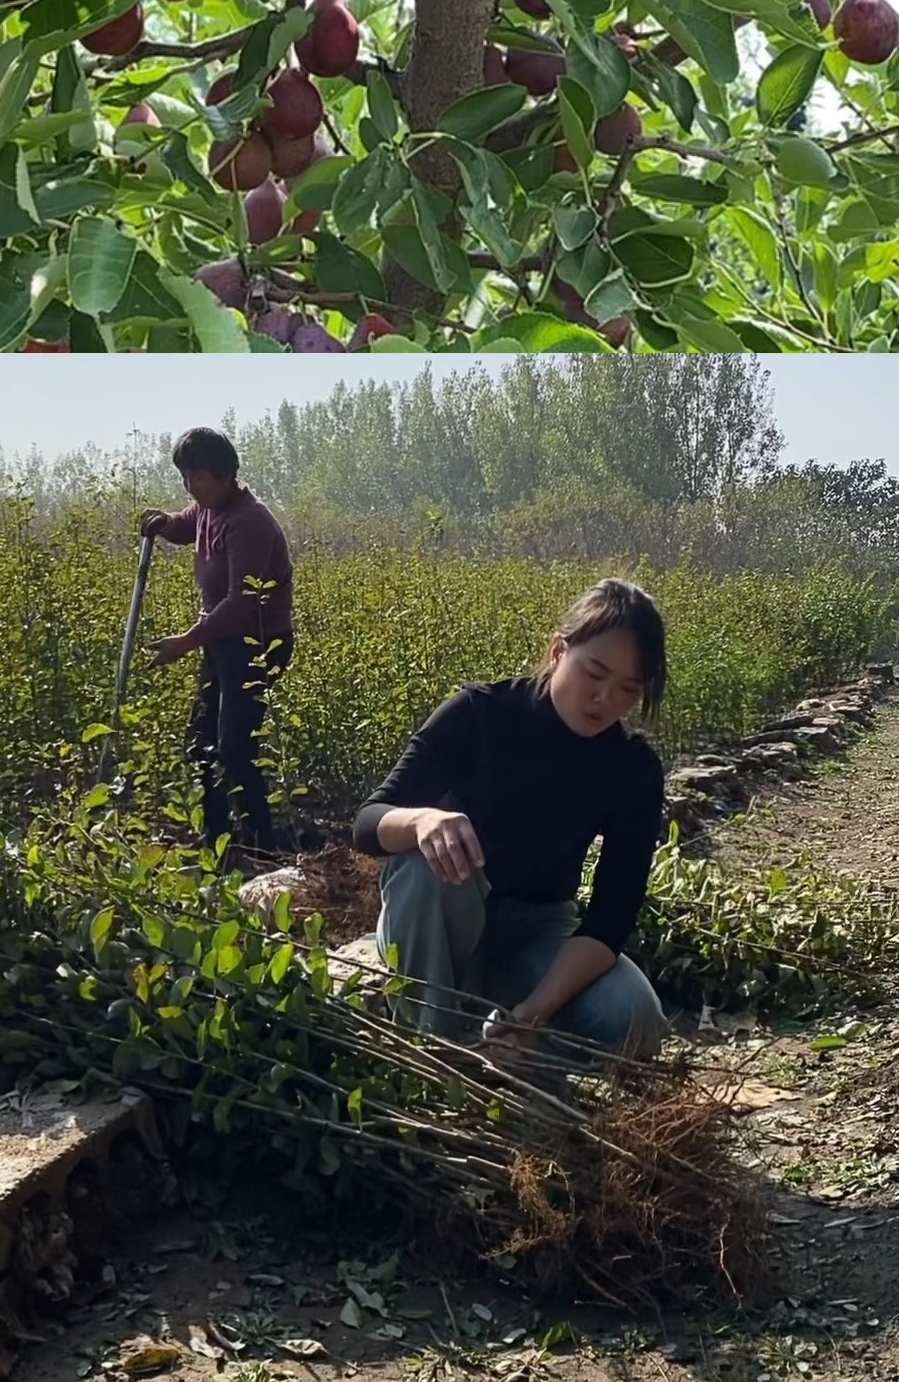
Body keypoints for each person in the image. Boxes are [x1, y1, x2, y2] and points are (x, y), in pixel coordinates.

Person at [351, 579, 668, 1072]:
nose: (604, 699)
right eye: (595, 673)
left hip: (540, 930)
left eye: (628, 689)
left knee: (637, 1021)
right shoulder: (481, 714)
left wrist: (535, 1014)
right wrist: (421, 820)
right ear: (559, 650)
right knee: (424, 865)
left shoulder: (633, 769)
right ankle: (434, 1057)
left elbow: (610, 919)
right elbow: (368, 823)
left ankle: (505, 1049)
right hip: (447, 914)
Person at [141, 427, 294, 859]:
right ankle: (216, 845)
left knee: (235, 748)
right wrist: (165, 523)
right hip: (223, 640)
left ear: (225, 475)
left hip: (258, 644)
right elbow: (185, 525)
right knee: (202, 742)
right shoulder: (209, 507)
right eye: (185, 478)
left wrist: (186, 642)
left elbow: (240, 603)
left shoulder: (250, 523)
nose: (190, 487)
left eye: (197, 477)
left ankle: (262, 847)